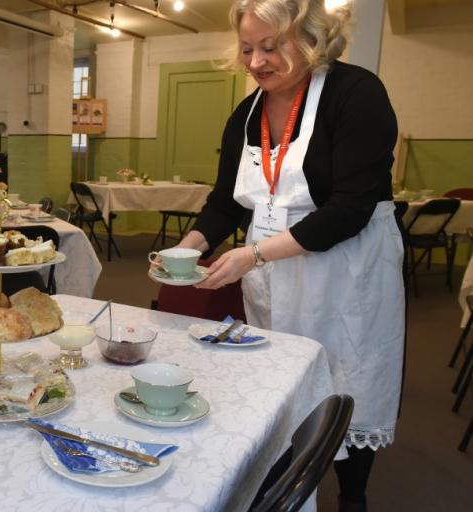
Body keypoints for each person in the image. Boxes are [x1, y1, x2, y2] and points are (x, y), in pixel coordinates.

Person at [170, 1, 405, 510]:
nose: (255, 61)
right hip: (273, 268)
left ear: (313, 38)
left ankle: (353, 495)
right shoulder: (246, 113)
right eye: (247, 48)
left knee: (349, 376)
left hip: (346, 268)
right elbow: (226, 202)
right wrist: (188, 247)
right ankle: (285, 471)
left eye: (270, 46)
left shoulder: (357, 94)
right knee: (280, 374)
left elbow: (351, 208)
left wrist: (253, 255)